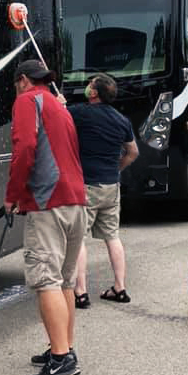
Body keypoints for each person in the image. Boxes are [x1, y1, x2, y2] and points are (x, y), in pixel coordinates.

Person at [4, 59, 87, 375]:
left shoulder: (27, 100)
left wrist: (13, 195)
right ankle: (63, 347)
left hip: (48, 204)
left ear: (23, 80)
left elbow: (25, 148)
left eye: (16, 85)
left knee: (46, 280)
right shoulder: (59, 105)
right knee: (65, 281)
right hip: (76, 201)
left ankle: (61, 358)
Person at [67, 74, 139, 306]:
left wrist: (59, 103)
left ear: (94, 93)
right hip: (111, 185)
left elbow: (59, 115)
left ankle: (80, 292)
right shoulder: (121, 120)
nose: (87, 87)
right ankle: (120, 287)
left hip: (87, 186)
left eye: (90, 84)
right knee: (112, 236)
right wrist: (116, 169)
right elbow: (133, 152)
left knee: (78, 239)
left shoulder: (81, 113)